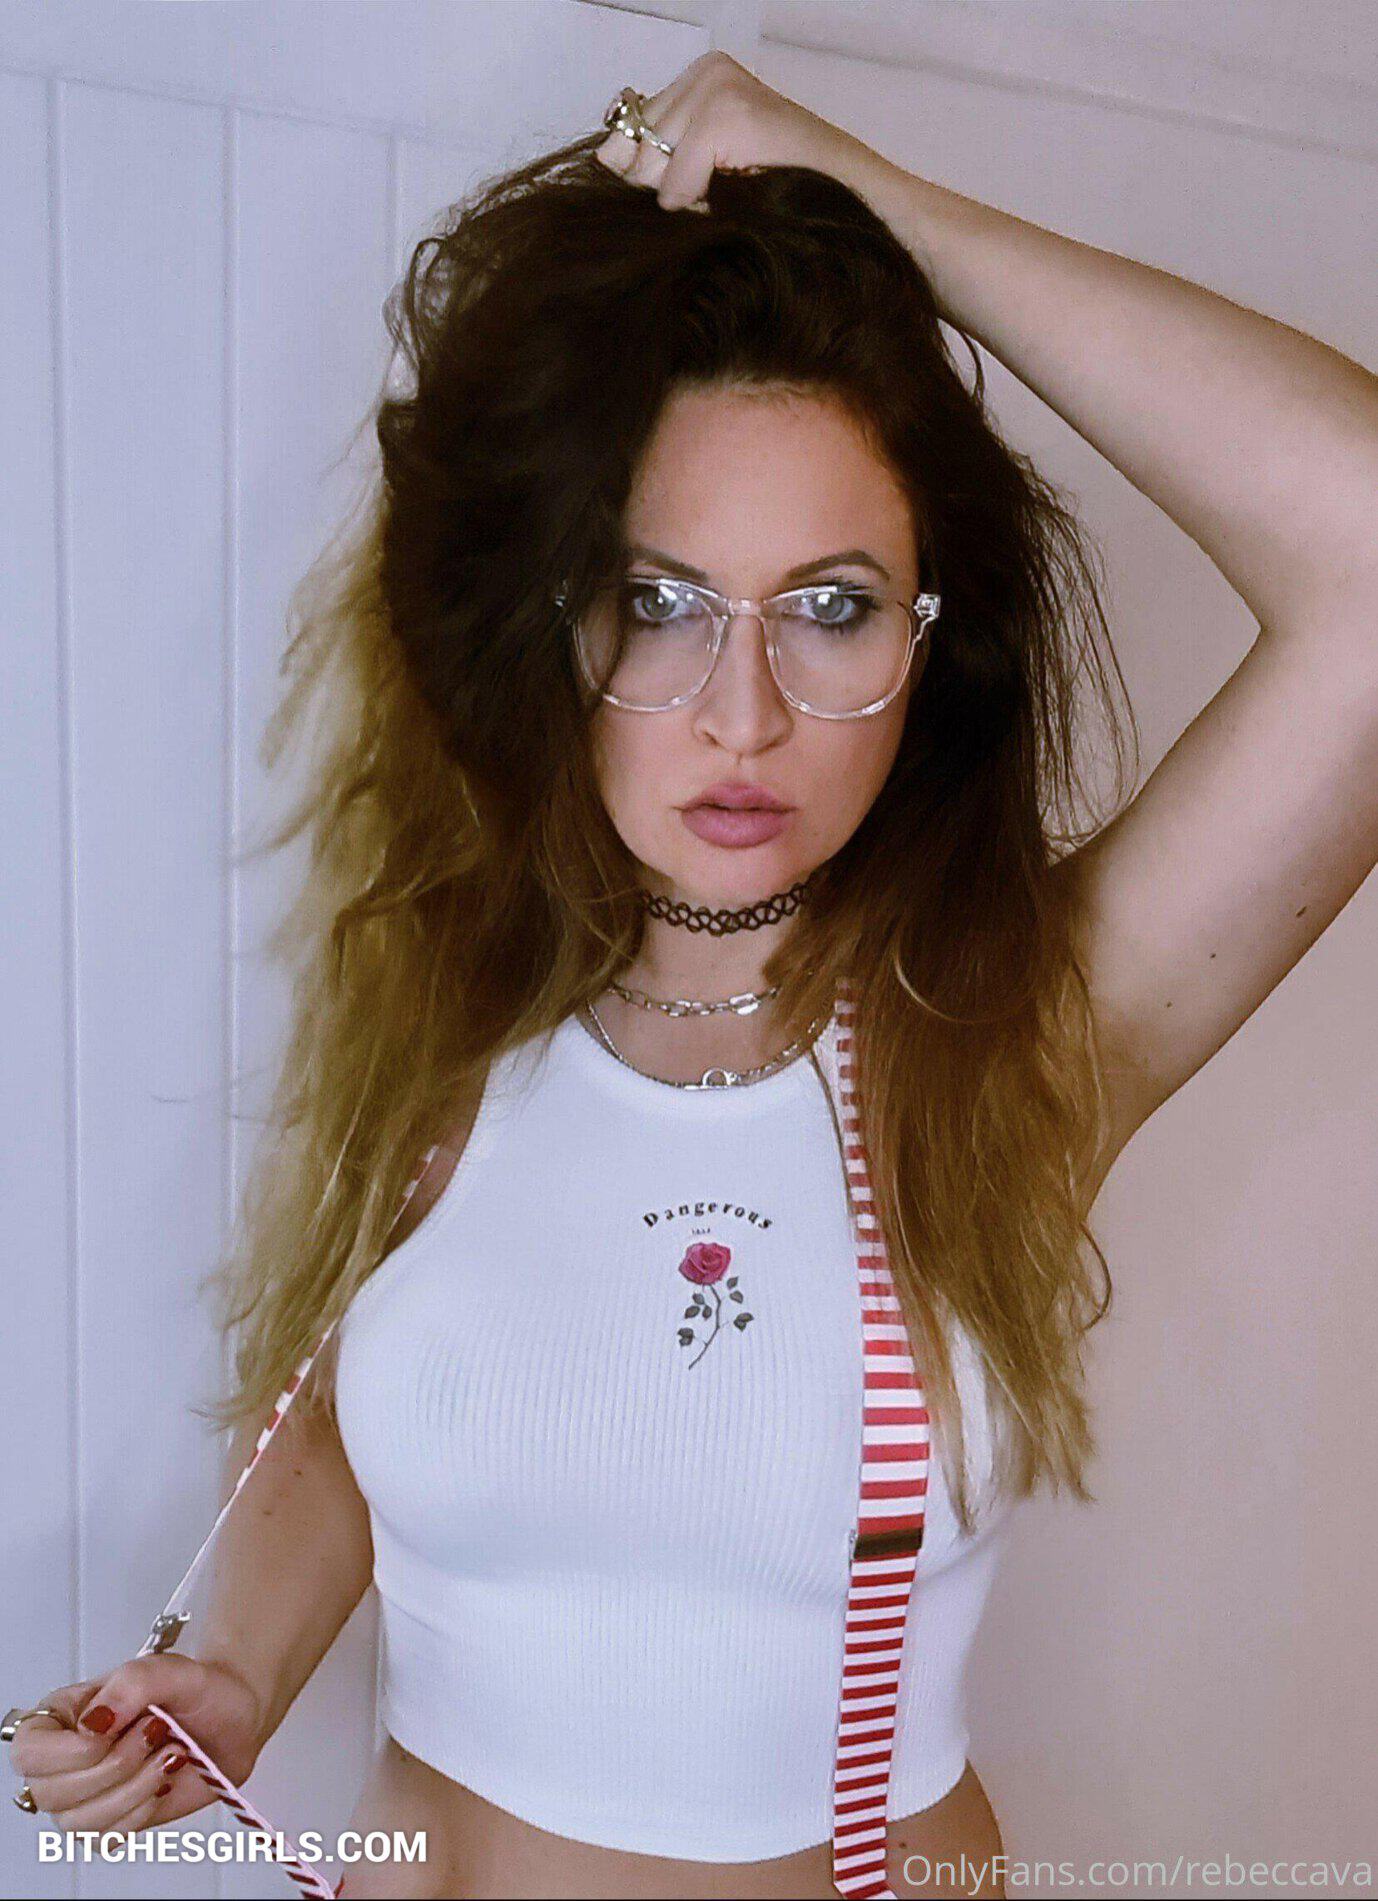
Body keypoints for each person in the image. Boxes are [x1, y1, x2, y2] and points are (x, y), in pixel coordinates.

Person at [8, 51, 1377, 1901]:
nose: (742, 712)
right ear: (549, 616)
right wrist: (233, 1674)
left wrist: (860, 208)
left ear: (932, 636)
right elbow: (374, 1405)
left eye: (832, 605)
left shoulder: (1023, 1036)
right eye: (657, 601)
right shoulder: (459, 999)